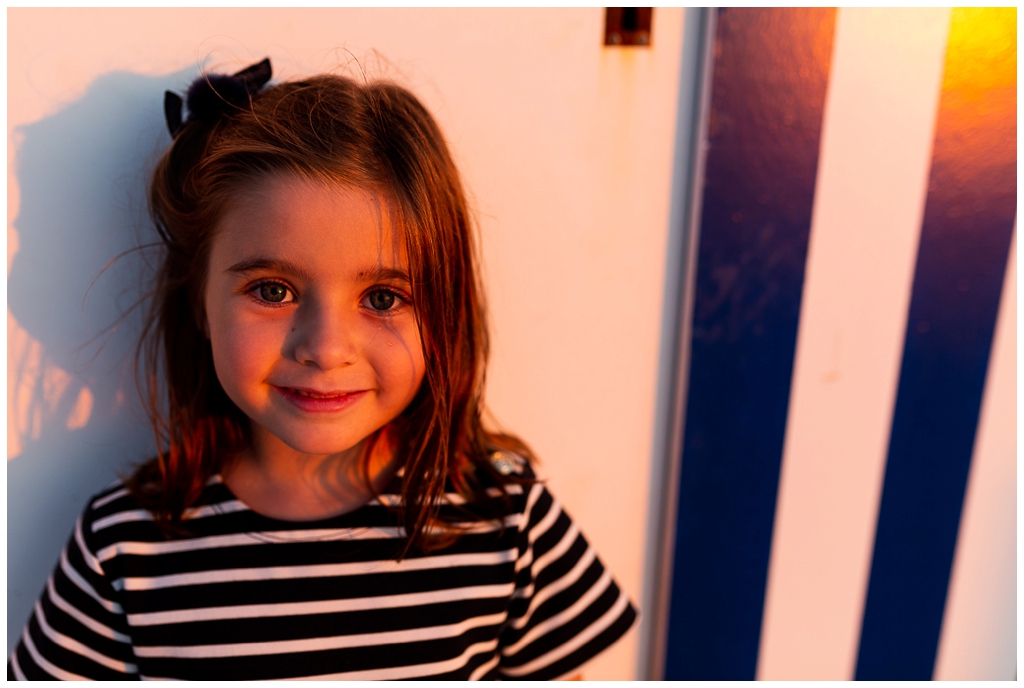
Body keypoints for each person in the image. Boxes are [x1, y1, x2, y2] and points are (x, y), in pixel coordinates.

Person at [8, 58, 636, 681]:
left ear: (446, 309)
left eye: (383, 298)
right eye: (273, 290)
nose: (325, 348)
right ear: (197, 299)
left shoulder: (507, 518)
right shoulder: (124, 549)